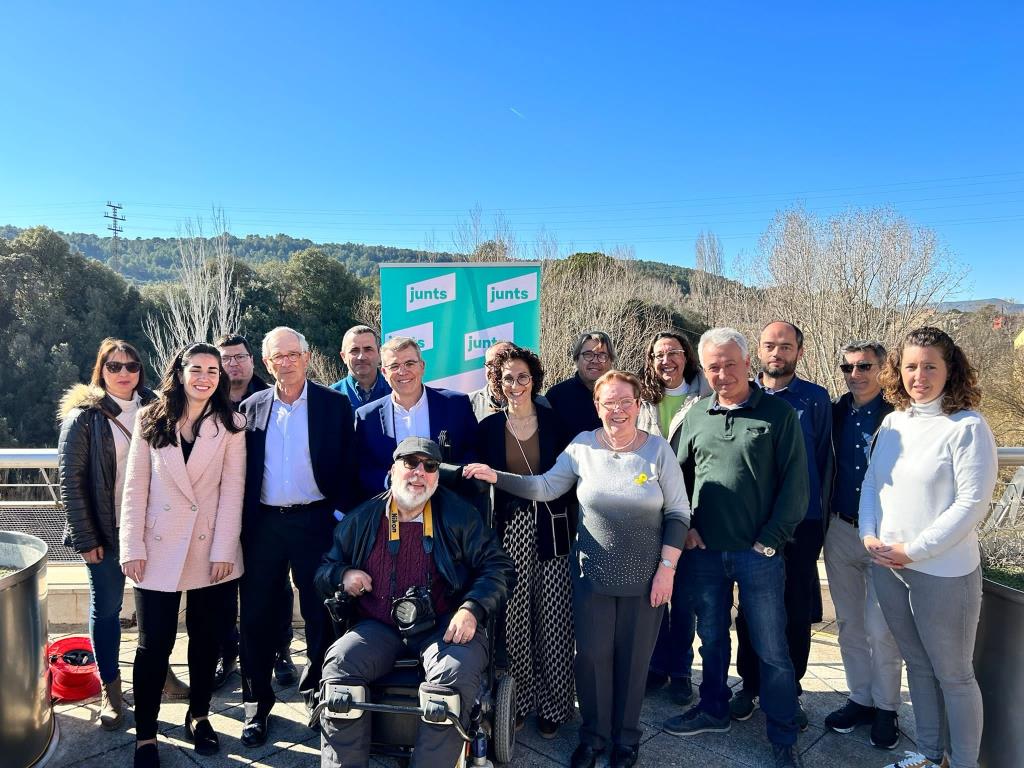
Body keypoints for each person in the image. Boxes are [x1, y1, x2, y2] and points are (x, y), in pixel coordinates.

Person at [466, 370, 689, 768]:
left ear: (638, 405)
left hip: (646, 581)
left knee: (633, 662)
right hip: (590, 577)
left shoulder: (658, 451)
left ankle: (626, 739)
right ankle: (594, 737)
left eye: (626, 402)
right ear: (597, 407)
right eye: (609, 403)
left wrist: (667, 569)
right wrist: (496, 476)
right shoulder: (582, 447)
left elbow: (678, 512)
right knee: (590, 660)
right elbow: (546, 487)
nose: (618, 410)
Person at [314, 437, 516, 768]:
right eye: (410, 463)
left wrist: (471, 609)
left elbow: (499, 567)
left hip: (443, 623)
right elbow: (324, 569)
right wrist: (344, 574)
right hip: (379, 625)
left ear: (437, 475)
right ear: (393, 469)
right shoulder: (363, 518)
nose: (419, 473)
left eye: (430, 466)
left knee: (450, 678)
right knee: (339, 667)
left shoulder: (460, 516)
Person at [664, 327, 807, 768]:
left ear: (747, 364)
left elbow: (796, 487)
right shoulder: (696, 416)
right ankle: (713, 708)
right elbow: (676, 479)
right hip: (703, 552)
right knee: (711, 640)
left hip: (758, 554)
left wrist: (770, 541)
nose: (722, 374)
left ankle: (783, 732)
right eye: (713, 367)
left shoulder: (778, 415)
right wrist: (684, 529)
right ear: (703, 371)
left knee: (771, 648)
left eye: (729, 364)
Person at [860, 327, 997, 768]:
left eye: (930, 366)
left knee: (954, 676)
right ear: (899, 370)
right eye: (911, 366)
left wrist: (914, 550)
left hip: (943, 573)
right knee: (917, 666)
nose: (920, 375)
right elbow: (871, 485)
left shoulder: (967, 427)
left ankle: (963, 763)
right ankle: (927, 753)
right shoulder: (893, 421)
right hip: (889, 566)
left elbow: (971, 504)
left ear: (950, 369)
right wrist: (868, 533)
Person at [119, 343, 247, 767]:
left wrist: (225, 548)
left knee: (207, 640)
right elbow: (135, 488)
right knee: (153, 644)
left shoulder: (231, 424)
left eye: (213, 370)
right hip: (156, 548)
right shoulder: (150, 419)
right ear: (180, 372)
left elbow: (233, 492)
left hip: (211, 547)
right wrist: (132, 546)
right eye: (196, 369)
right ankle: (147, 735)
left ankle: (200, 715)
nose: (205, 377)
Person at [57, 338, 186, 730]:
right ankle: (110, 691)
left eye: (131, 365)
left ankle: (159, 673)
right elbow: (71, 483)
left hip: (153, 526)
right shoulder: (84, 417)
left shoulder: (158, 407)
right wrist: (85, 537)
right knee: (108, 608)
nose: (124, 373)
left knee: (156, 609)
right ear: (101, 370)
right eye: (114, 366)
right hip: (106, 530)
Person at [238, 326, 355, 747]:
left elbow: (349, 465)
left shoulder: (335, 406)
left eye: (292, 354)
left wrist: (337, 514)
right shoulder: (250, 408)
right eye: (275, 357)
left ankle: (317, 696)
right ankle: (257, 706)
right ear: (266, 364)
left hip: (315, 523)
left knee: (321, 614)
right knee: (255, 617)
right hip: (264, 526)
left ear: (307, 357)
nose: (284, 362)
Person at [731, 321, 832, 728]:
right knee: (749, 607)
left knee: (794, 608)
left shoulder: (815, 398)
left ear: (799, 352)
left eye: (786, 346)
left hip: (802, 523)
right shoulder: (743, 395)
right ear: (759, 350)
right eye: (770, 345)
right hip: (752, 521)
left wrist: (819, 521)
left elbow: (824, 460)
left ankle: (792, 689)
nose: (778, 353)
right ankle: (750, 685)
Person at [475, 346, 575, 738]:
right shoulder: (487, 429)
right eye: (506, 379)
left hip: (554, 530)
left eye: (522, 377)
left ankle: (555, 705)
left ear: (534, 380)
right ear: (497, 385)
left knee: (554, 619)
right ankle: (518, 700)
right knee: (513, 620)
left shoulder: (556, 424)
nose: (514, 385)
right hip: (509, 529)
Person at [822, 341, 902, 749]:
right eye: (848, 367)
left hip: (886, 534)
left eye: (865, 366)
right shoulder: (834, 414)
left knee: (881, 627)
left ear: (883, 369)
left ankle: (887, 707)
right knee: (850, 623)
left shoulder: (899, 417)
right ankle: (860, 698)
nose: (856, 374)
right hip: (838, 528)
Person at [212, 333, 296, 690]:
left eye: (239, 357)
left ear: (253, 360)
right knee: (222, 588)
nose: (233, 364)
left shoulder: (269, 397)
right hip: (218, 512)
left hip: (264, 514)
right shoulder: (206, 398)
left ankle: (281, 650)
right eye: (226, 358)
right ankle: (228, 652)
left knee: (275, 586)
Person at [637, 330, 711, 704]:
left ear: (687, 357)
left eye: (674, 352)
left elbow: (706, 466)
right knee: (652, 596)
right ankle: (655, 666)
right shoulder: (641, 401)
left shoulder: (705, 398)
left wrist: (691, 521)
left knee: (684, 599)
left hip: (687, 514)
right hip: (649, 515)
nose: (666, 360)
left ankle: (681, 670)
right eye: (658, 355)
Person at [353, 336, 477, 500]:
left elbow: (473, 453)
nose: (403, 372)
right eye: (394, 366)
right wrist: (391, 480)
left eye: (410, 364)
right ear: (384, 372)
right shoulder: (366, 417)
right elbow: (361, 468)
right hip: (391, 510)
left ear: (422, 366)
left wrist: (444, 477)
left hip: (447, 508)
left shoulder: (456, 404)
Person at [544, 330, 615, 438]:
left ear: (611, 361)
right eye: (588, 354)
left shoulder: (620, 395)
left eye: (602, 355)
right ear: (576, 359)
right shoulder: (557, 396)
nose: (595, 361)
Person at [329, 325, 392, 408]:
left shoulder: (396, 391)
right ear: (343, 357)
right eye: (354, 350)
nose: (361, 357)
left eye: (368, 349)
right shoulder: (329, 397)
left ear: (379, 354)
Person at [469, 340, 515, 420]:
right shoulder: (468, 404)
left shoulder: (539, 403)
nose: (494, 370)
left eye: (500, 363)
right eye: (489, 364)